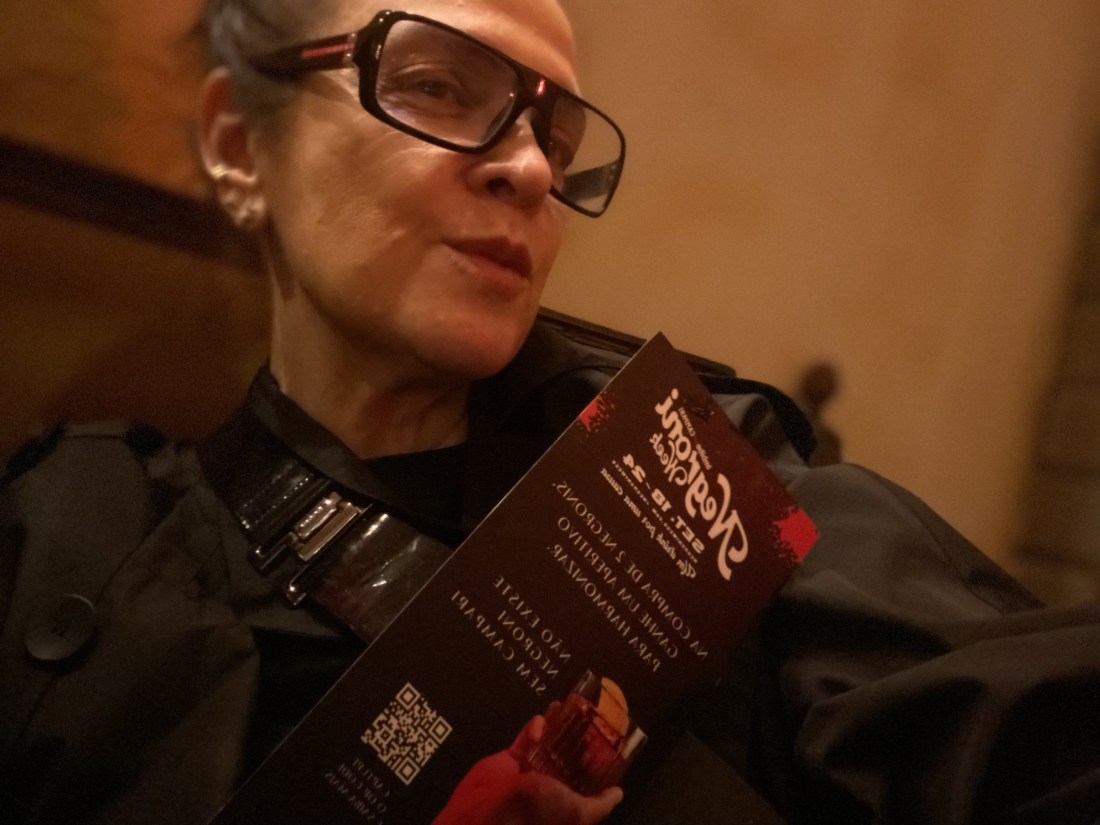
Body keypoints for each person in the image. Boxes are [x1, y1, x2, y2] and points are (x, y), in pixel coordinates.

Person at [1, 0, 1097, 824]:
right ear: (242, 146)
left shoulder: (698, 482)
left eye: (554, 136)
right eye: (437, 85)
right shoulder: (67, 531)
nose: (529, 168)